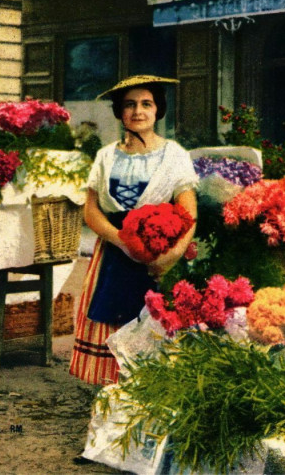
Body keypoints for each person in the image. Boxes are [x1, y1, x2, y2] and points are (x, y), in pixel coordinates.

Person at [69, 75, 199, 385]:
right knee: (112, 316)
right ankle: (114, 390)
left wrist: (169, 257)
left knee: (154, 319)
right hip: (113, 255)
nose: (138, 111)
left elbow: (188, 212)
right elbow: (91, 209)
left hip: (160, 252)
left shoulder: (174, 156)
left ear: (158, 110)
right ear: (119, 112)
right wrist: (121, 240)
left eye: (146, 104)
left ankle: (151, 389)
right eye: (129, 105)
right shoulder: (106, 156)